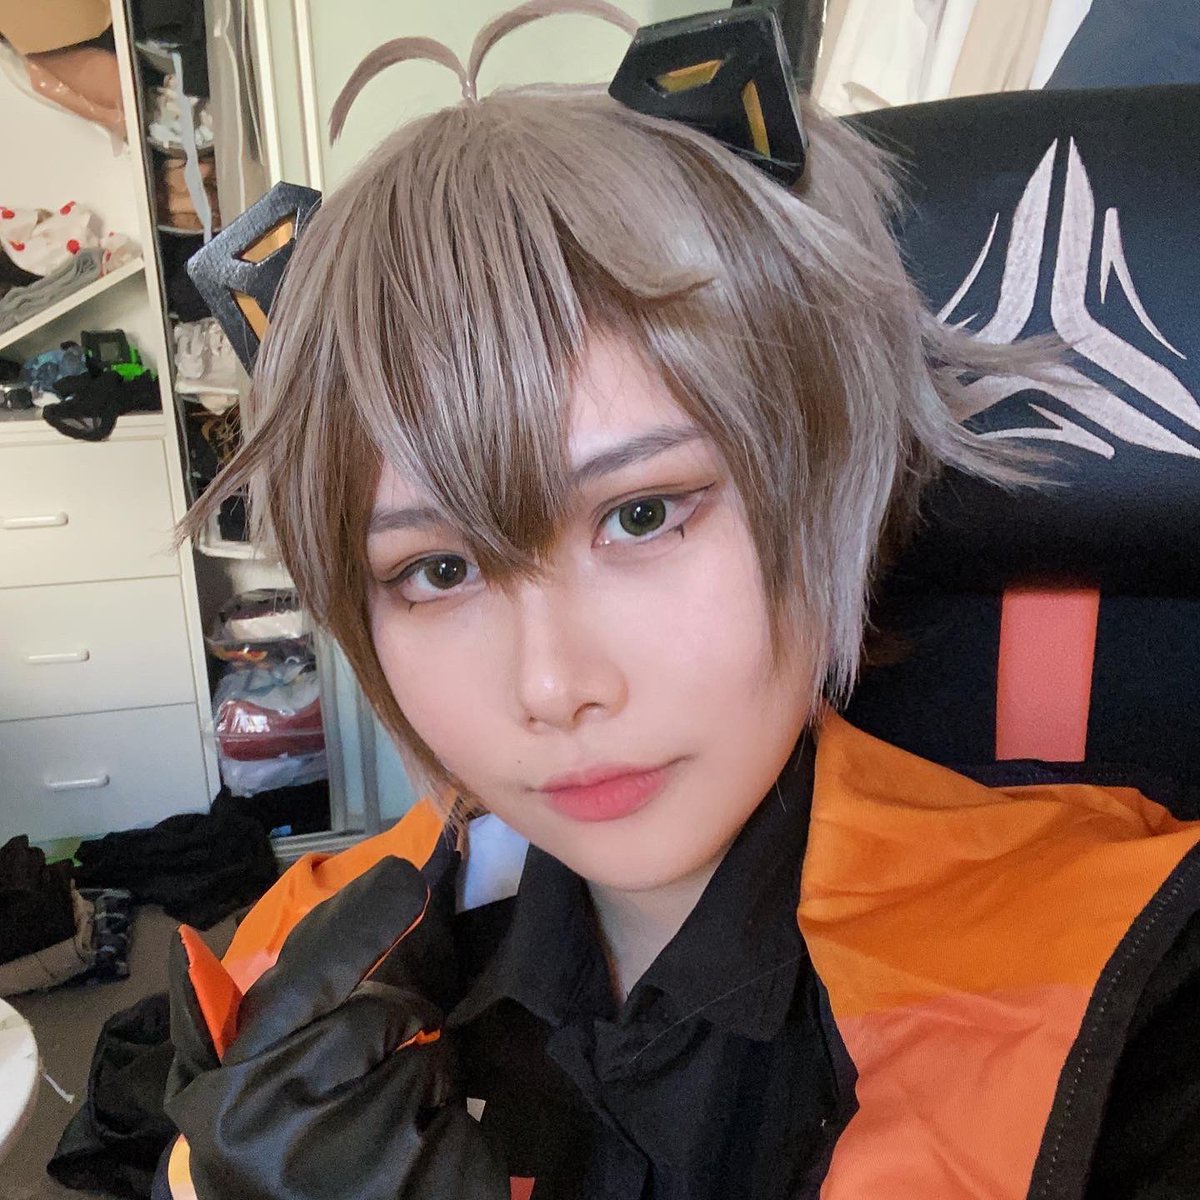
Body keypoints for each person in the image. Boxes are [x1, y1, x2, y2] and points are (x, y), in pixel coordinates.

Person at [159, 4, 1200, 1199]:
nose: (554, 685)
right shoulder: (300, 992)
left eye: (642, 514)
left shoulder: (1132, 987)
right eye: (438, 571)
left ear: (825, 481)